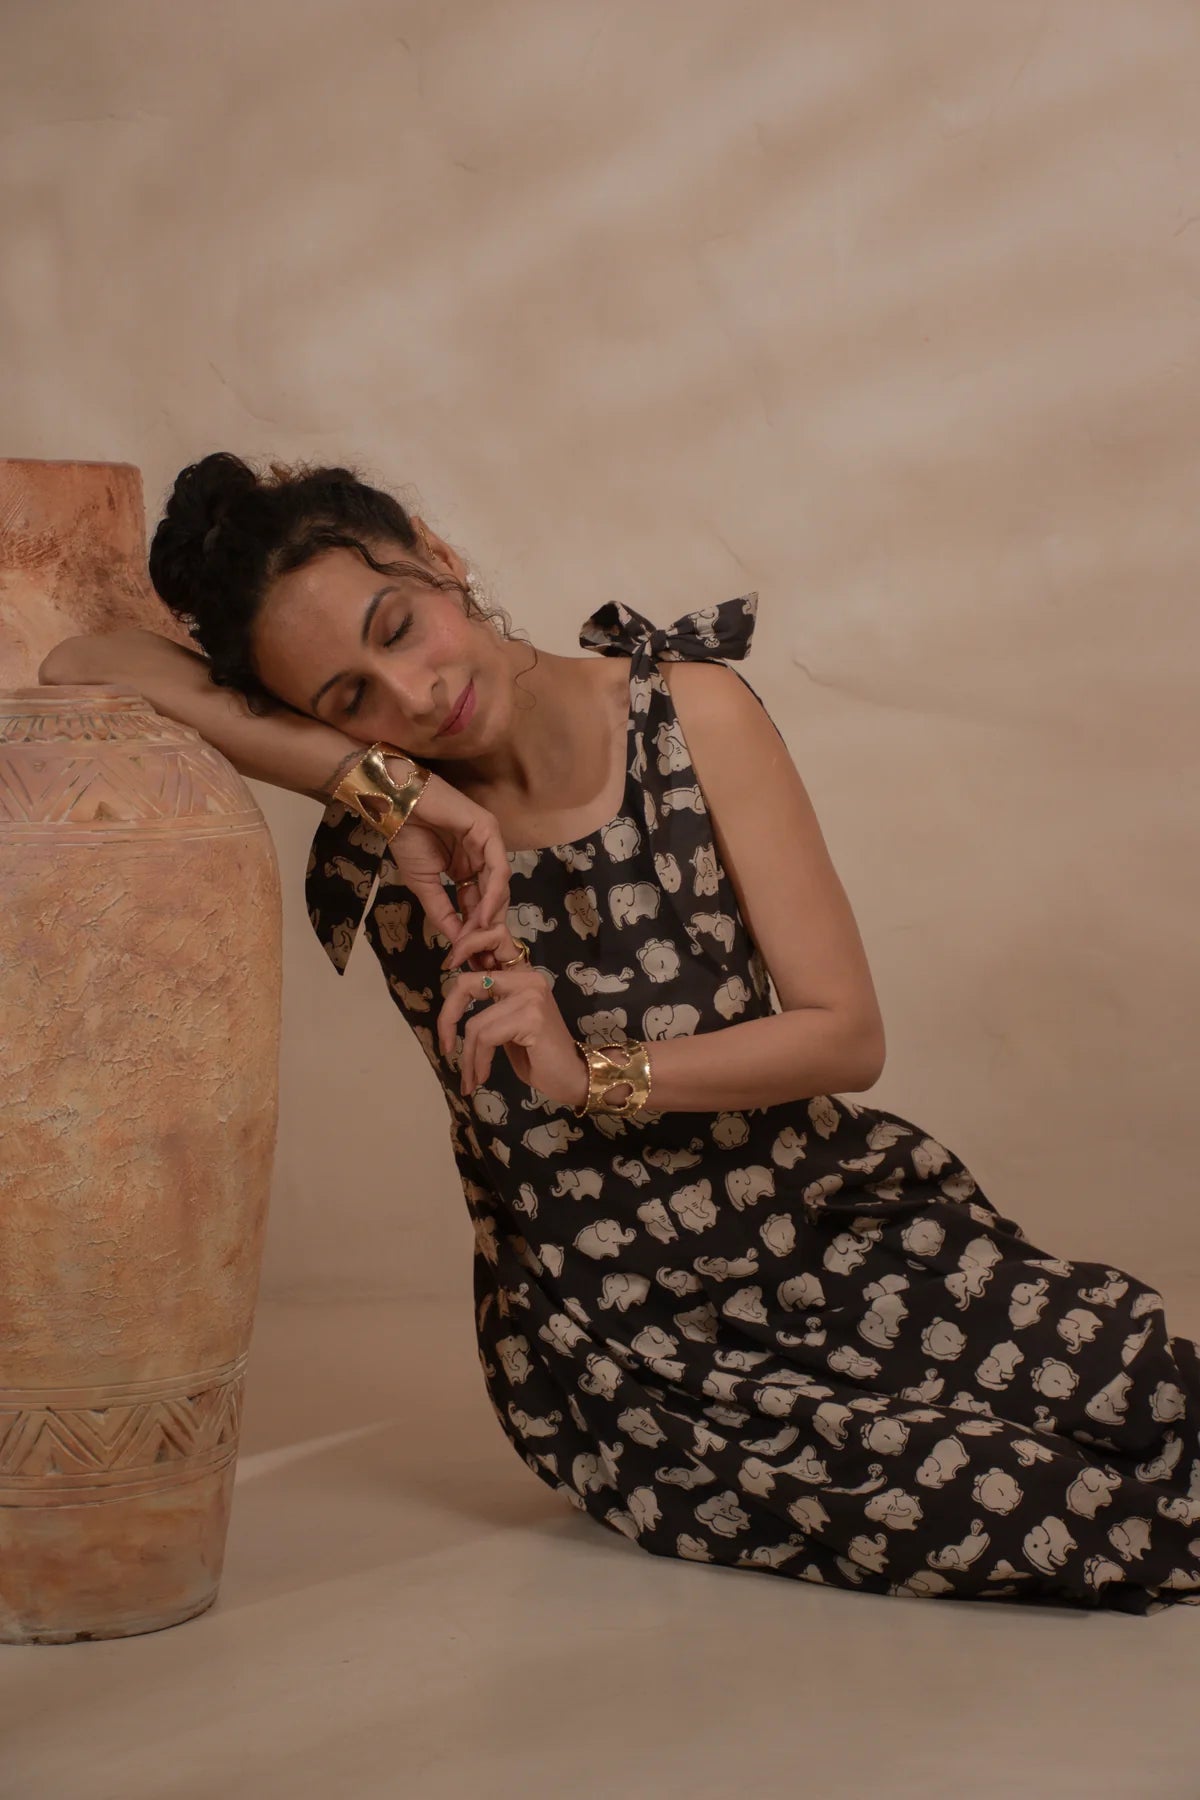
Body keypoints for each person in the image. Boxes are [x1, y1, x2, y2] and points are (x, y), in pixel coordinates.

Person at [41, 453, 1200, 1615]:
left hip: (830, 1237)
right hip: (635, 1347)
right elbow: (86, 662)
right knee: (1023, 1503)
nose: (409, 696)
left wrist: (588, 1071)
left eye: (398, 628)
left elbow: (846, 1036)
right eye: (349, 700)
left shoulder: (684, 714)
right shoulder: (396, 829)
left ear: (439, 557)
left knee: (1137, 1379)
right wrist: (385, 790)